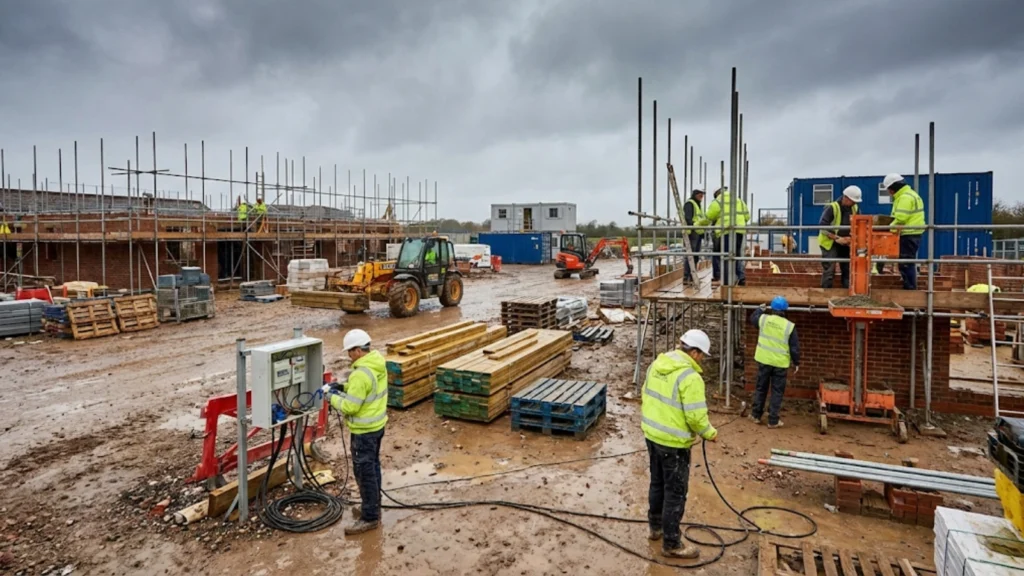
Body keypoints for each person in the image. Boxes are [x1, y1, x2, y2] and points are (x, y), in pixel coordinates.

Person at [641, 329, 718, 559]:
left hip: (652, 436)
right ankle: (672, 543)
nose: (702, 359)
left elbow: (645, 394)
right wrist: (709, 433)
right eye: (702, 354)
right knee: (675, 492)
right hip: (673, 444)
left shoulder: (657, 365)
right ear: (693, 352)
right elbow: (695, 417)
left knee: (657, 484)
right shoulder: (690, 377)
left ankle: (655, 528)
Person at [322, 329, 388, 534]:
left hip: (363, 432)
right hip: (377, 427)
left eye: (350, 352)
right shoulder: (375, 363)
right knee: (373, 467)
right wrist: (340, 387)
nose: (349, 356)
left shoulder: (361, 373)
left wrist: (329, 397)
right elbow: (361, 388)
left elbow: (351, 407)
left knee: (365, 472)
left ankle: (369, 517)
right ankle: (373, 506)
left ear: (359, 350)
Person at [749, 296, 800, 429]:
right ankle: (773, 420)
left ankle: (756, 415)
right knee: (777, 392)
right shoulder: (789, 326)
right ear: (785, 310)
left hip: (764, 360)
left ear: (772, 308)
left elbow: (753, 318)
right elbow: (794, 347)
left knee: (761, 388)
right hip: (780, 364)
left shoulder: (764, 319)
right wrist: (796, 362)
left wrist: (760, 309)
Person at [883, 173, 925, 290]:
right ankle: (909, 287)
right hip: (911, 234)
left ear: (894, 187)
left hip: (908, 234)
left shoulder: (905, 197)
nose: (889, 192)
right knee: (906, 262)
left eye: (889, 189)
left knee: (905, 263)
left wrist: (888, 228)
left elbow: (901, 218)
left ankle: (910, 289)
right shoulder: (911, 194)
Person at [700, 187, 749, 286]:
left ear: (717, 194)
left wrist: (696, 225)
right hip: (739, 230)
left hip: (726, 231)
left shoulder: (718, 201)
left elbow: (708, 217)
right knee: (737, 255)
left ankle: (727, 283)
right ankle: (741, 277)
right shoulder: (738, 200)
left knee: (727, 256)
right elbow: (747, 216)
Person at [818, 185, 861, 289]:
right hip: (830, 243)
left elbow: (858, 225)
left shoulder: (855, 208)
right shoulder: (832, 207)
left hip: (846, 243)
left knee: (847, 269)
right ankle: (825, 294)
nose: (855, 203)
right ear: (845, 198)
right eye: (852, 200)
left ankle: (847, 294)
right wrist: (837, 238)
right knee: (829, 270)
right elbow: (822, 227)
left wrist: (851, 238)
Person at [682, 189, 706, 283]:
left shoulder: (698, 205)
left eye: (702, 195)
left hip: (698, 233)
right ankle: (686, 276)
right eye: (700, 194)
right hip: (692, 233)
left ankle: (692, 276)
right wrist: (694, 227)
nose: (702, 196)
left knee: (695, 256)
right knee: (690, 255)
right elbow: (688, 218)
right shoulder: (690, 203)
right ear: (695, 194)